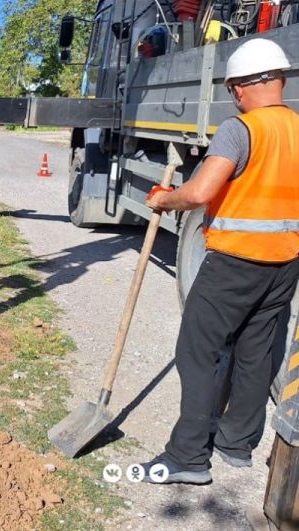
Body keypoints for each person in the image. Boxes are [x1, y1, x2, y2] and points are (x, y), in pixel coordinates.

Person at [143, 38, 299, 484]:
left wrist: (164, 200)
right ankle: (236, 444)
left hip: (234, 261)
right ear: (280, 80)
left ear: (238, 88)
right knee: (257, 351)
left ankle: (187, 458)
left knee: (196, 352)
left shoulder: (241, 128)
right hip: (286, 261)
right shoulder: (297, 128)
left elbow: (201, 192)